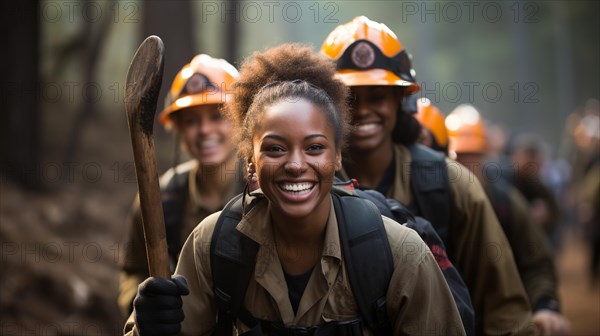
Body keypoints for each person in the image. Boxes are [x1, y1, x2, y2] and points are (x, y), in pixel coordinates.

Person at [124, 44, 465, 335]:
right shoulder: (212, 245)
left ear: (337, 157)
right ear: (251, 161)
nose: (296, 164)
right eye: (275, 148)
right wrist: (147, 327)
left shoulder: (398, 254)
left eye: (315, 147)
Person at [320, 16, 533, 335]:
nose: (363, 110)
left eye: (377, 96)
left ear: (400, 99)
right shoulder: (308, 188)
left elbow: (502, 305)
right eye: (350, 98)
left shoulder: (452, 185)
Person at [118, 54, 245, 317]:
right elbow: (133, 271)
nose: (204, 130)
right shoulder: (158, 198)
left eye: (216, 116)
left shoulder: (264, 192)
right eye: (191, 120)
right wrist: (144, 307)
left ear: (241, 121)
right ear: (177, 128)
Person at [446, 104, 571, 336]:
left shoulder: (505, 201)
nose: (465, 166)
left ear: (485, 156)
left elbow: (537, 262)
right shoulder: (434, 204)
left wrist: (544, 305)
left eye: (473, 156)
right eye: (458, 158)